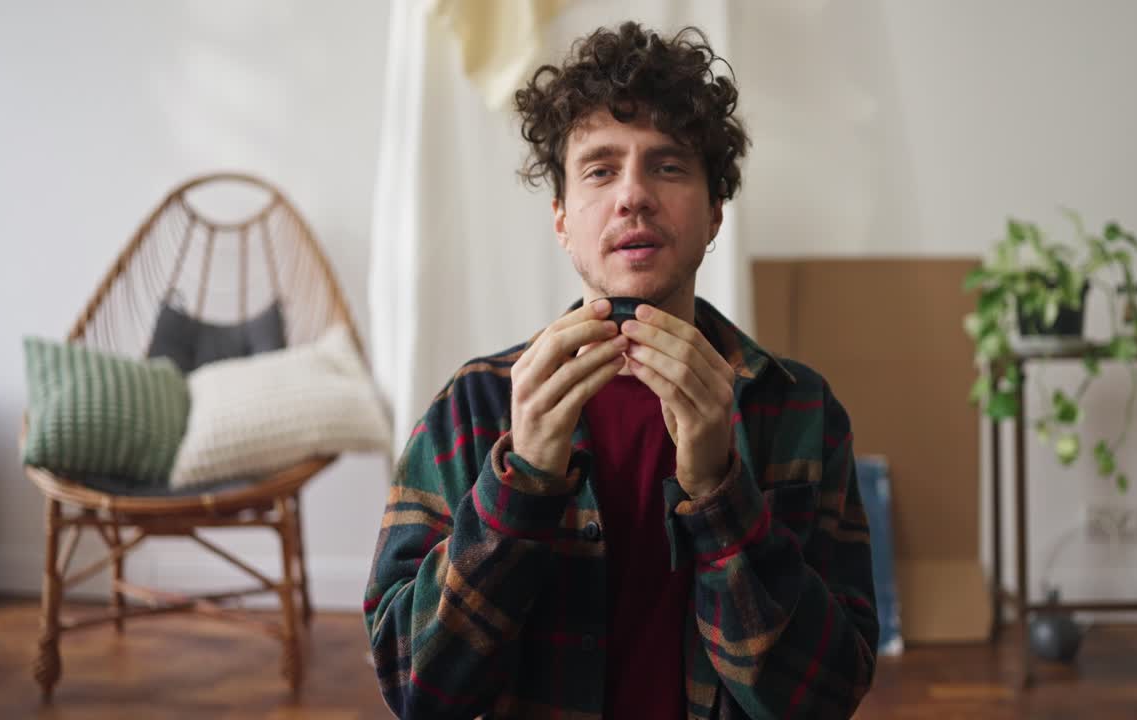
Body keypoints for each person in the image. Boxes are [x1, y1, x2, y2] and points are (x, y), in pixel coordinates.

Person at [364, 21, 878, 720]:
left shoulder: (802, 412)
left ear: (715, 213)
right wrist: (524, 486)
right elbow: (415, 687)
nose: (633, 195)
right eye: (600, 170)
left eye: (668, 166)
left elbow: (824, 697)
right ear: (562, 219)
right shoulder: (475, 407)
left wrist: (720, 490)